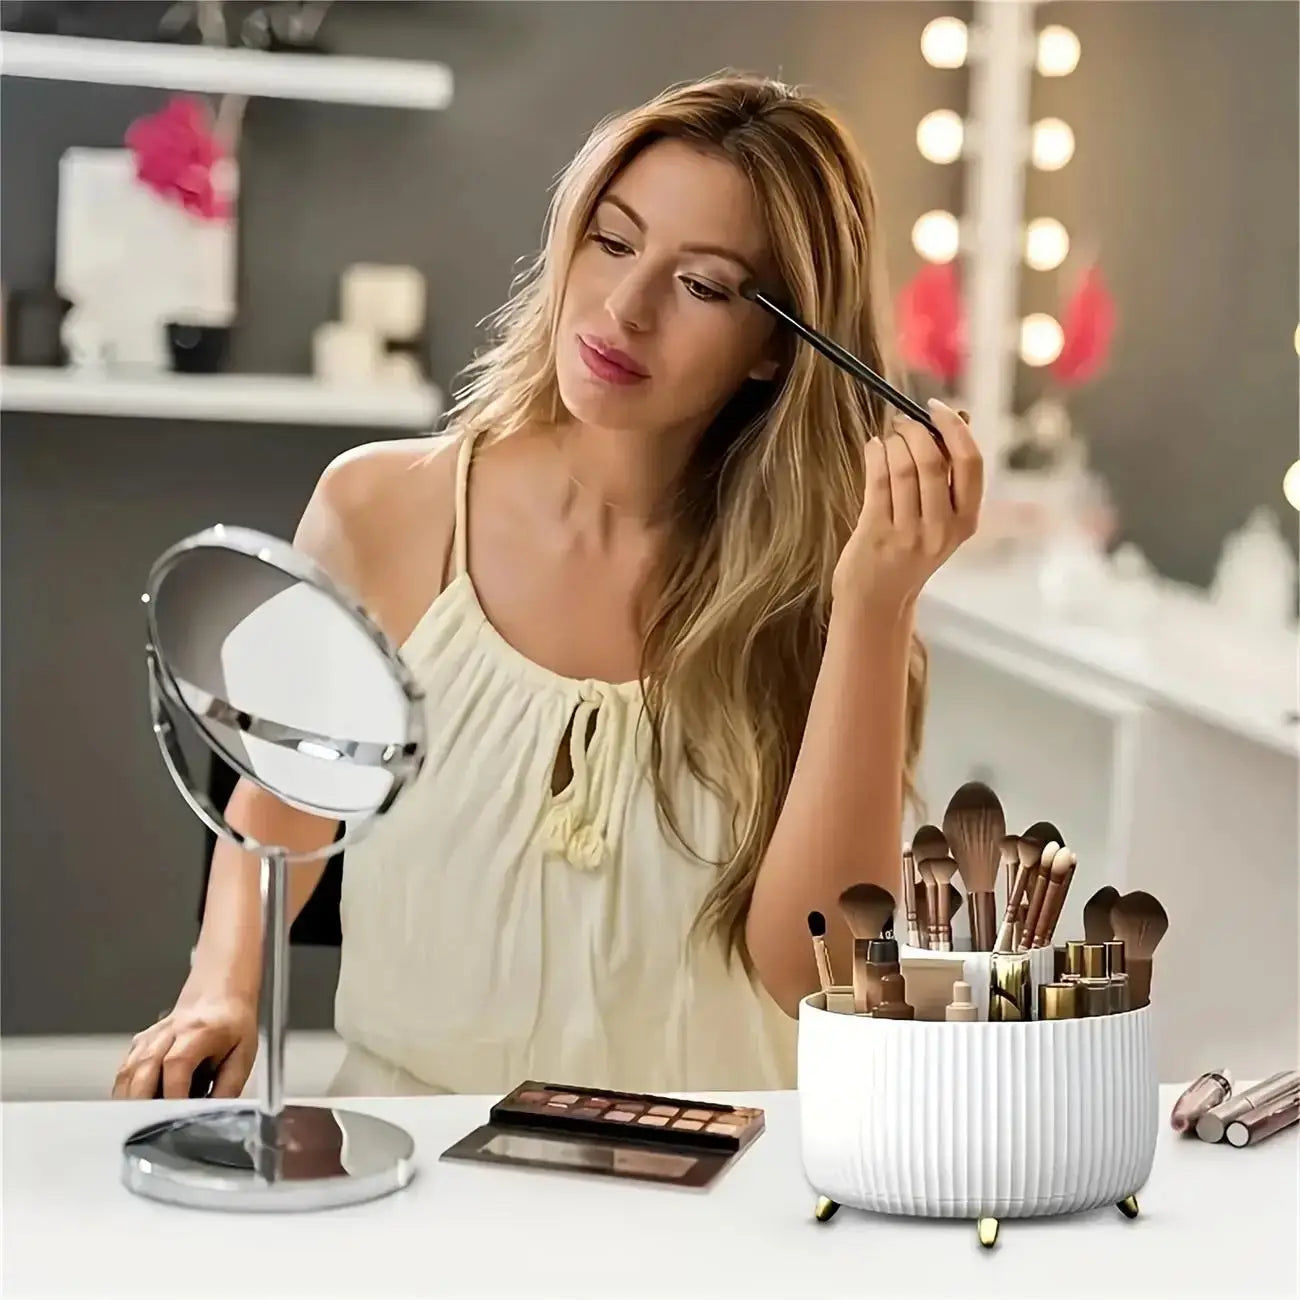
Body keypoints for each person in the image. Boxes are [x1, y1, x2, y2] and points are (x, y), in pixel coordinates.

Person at [113, 71, 981, 1102]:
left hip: (703, 1192)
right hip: (416, 1165)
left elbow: (811, 970)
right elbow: (286, 805)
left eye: (701, 284)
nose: (624, 308)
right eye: (612, 240)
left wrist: (875, 610)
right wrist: (221, 987)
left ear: (774, 349)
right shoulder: (385, 512)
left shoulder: (822, 590)